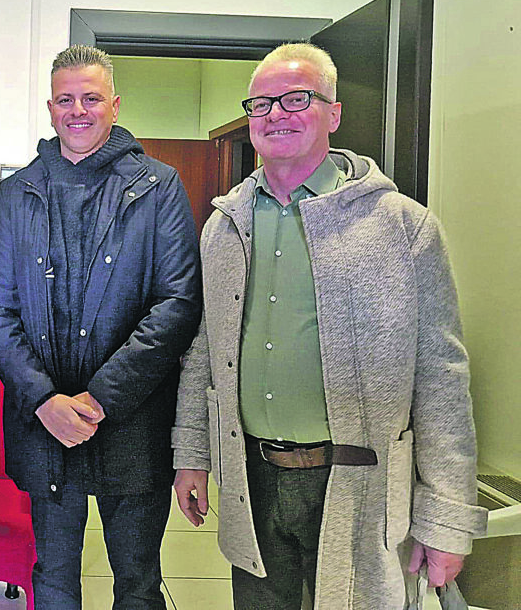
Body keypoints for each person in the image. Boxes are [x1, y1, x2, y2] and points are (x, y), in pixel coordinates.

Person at [172, 42, 488, 609]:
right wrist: (192, 453)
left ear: (334, 113)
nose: (276, 114)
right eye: (261, 103)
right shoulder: (224, 227)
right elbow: (204, 352)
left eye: (297, 99)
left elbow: (441, 379)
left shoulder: (403, 227)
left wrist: (445, 519)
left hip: (358, 487)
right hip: (252, 479)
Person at [0, 44, 202, 609]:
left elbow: (177, 304)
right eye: (65, 100)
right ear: (50, 109)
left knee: (138, 582)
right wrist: (43, 399)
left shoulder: (159, 186)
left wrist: (100, 399)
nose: (78, 110)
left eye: (91, 98)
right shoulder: (17, 193)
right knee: (53, 579)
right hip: (44, 426)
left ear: (115, 105)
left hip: (133, 421)